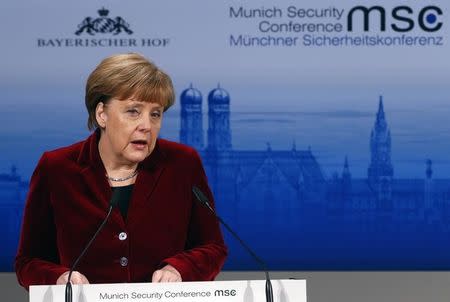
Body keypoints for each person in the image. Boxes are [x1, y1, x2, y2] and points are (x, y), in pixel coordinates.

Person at [15, 53, 227, 289]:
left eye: (155, 114)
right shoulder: (56, 168)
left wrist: (179, 268)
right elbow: (29, 262)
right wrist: (59, 277)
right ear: (102, 114)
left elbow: (213, 248)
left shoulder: (182, 164)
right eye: (133, 111)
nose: (146, 125)